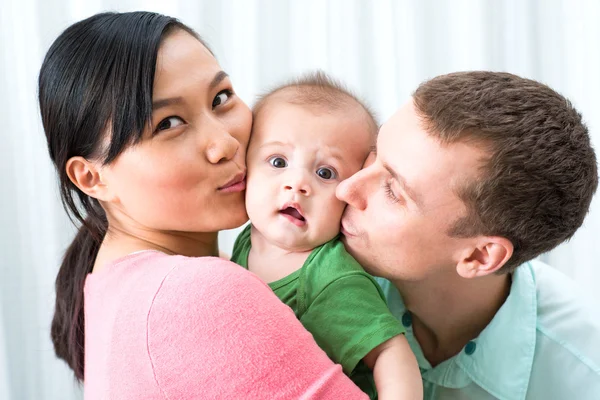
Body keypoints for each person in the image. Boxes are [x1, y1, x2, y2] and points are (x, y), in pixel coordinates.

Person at [39, 11, 370, 399]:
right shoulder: (196, 294)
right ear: (92, 178)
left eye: (221, 98)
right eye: (168, 124)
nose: (225, 144)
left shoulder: (112, 286)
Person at [336, 71, 600, 399]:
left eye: (392, 191)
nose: (345, 189)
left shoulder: (585, 375)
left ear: (479, 256)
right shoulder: (307, 267)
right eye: (373, 154)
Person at [231, 72, 422, 400]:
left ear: (352, 189)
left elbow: (392, 353)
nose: (297, 183)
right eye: (278, 162)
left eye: (325, 173)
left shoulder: (331, 276)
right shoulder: (250, 238)